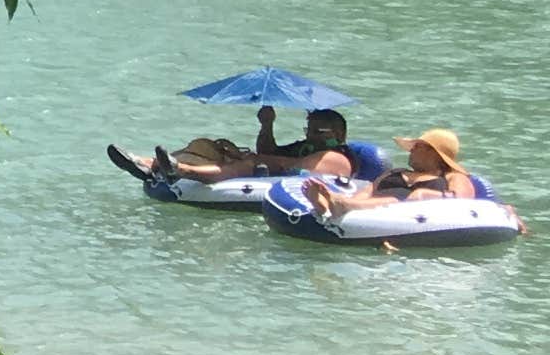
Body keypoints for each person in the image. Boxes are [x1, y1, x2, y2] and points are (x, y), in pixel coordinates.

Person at [116, 106, 374, 182]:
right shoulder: (305, 146)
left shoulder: (338, 155)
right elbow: (270, 152)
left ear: (339, 133)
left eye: (320, 131)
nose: (312, 135)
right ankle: (149, 164)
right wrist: (267, 124)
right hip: (272, 169)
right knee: (207, 145)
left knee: (250, 163)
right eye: (309, 129)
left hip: (290, 179)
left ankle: (182, 170)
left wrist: (244, 158)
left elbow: (285, 164)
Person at [302, 129, 488, 213]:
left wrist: (425, 194)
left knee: (395, 199)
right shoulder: (395, 173)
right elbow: (367, 192)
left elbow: (462, 199)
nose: (412, 149)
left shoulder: (453, 177)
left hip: (410, 214)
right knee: (358, 200)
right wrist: (350, 200)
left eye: (418, 146)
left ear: (435, 154)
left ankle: (340, 205)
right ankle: (332, 206)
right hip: (370, 210)